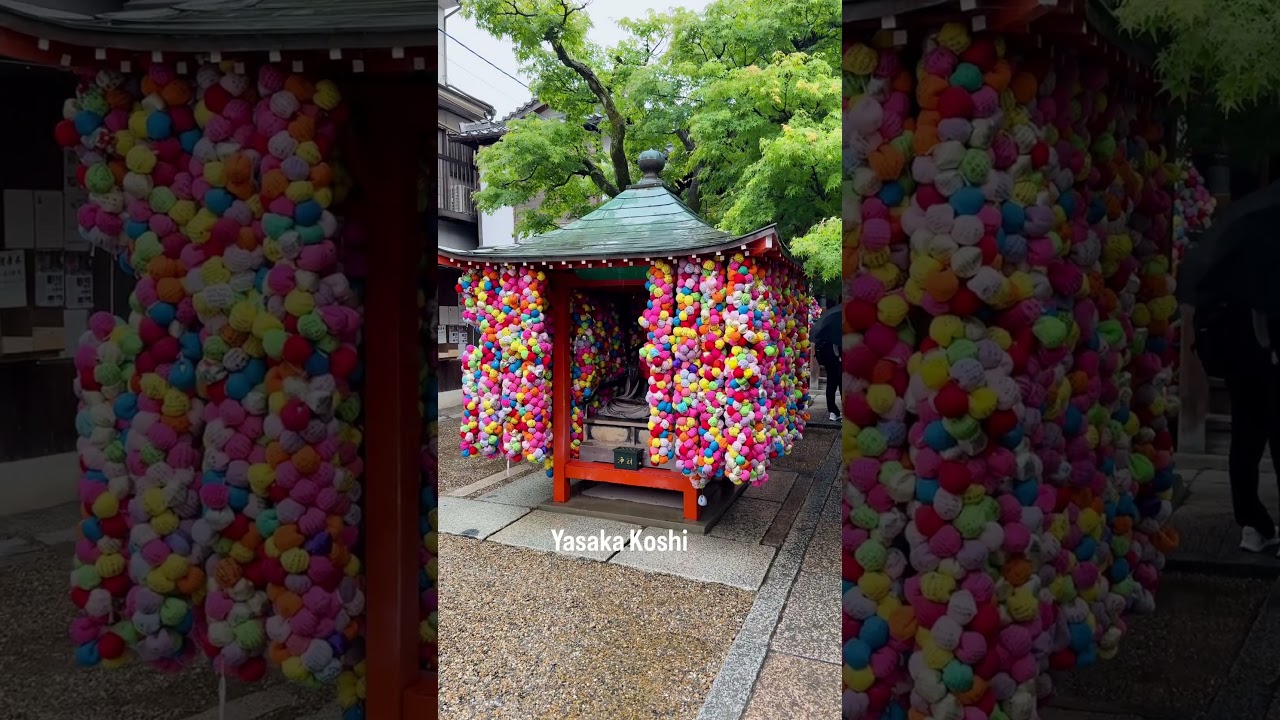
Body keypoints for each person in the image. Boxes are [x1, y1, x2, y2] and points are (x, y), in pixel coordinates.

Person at [1198, 299, 1280, 553]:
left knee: (1244, 447)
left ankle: (1254, 526)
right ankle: (1255, 525)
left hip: (1241, 362)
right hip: (1268, 363)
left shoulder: (1234, 270)